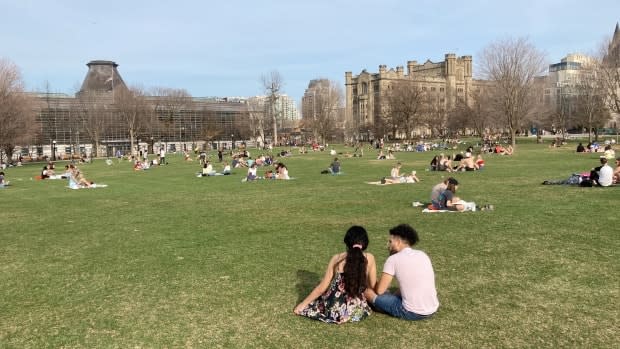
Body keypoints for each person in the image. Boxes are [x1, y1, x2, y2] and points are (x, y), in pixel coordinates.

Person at [294, 226, 376, 324]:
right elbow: (373, 285)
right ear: (365, 243)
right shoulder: (369, 258)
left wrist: (302, 305)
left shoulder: (337, 259)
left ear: (347, 242)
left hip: (334, 310)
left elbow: (322, 288)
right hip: (356, 310)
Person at [364, 224, 438, 321]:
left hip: (412, 312)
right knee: (390, 294)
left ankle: (379, 306)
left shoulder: (393, 259)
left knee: (368, 292)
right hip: (432, 308)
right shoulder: (422, 254)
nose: (388, 245)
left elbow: (379, 291)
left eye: (390, 241)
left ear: (398, 242)